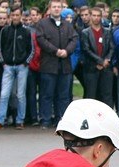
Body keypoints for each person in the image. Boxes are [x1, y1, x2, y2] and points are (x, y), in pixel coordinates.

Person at [35, 0, 78, 128]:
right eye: (54, 7)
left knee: (63, 96)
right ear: (49, 9)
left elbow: (74, 39)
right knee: (47, 94)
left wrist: (67, 51)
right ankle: (46, 120)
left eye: (58, 7)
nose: (56, 9)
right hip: (49, 65)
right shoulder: (42, 24)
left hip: (65, 66)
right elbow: (40, 39)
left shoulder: (67, 25)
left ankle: (62, 120)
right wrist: (56, 51)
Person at [0, 5, 32, 129]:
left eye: (17, 15)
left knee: (20, 95)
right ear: (10, 16)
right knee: (4, 94)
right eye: (13, 15)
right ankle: (0, 120)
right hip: (8, 66)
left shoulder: (26, 31)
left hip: (22, 66)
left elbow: (31, 49)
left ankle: (20, 120)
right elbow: (0, 48)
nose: (15, 17)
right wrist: (3, 63)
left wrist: (26, 62)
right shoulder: (5, 31)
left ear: (21, 16)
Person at [81, 6, 115, 107]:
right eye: (94, 15)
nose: (96, 18)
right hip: (91, 68)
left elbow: (112, 48)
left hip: (106, 68)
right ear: (91, 16)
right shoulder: (85, 32)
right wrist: (100, 61)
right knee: (91, 95)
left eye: (98, 16)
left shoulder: (107, 32)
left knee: (107, 95)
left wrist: (106, 60)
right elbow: (86, 50)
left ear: (101, 17)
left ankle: (108, 120)